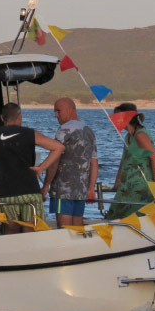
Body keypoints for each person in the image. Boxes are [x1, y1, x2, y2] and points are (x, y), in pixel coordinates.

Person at [0, 103, 64, 234]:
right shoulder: (30, 133)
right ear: (20, 116)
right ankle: (32, 253)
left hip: (7, 193)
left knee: (12, 227)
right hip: (30, 190)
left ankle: (13, 252)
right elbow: (59, 147)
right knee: (30, 228)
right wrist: (41, 167)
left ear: (2, 118)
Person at [42, 97, 99, 228]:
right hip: (81, 189)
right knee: (77, 225)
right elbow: (94, 163)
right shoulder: (88, 130)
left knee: (64, 227)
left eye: (58, 111)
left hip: (63, 189)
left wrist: (46, 185)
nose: (56, 115)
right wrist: (91, 188)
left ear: (70, 110)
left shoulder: (64, 130)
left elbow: (54, 162)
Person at [105, 102, 155, 220]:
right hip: (127, 185)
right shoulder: (127, 136)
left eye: (117, 116)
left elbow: (154, 157)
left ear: (127, 117)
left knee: (135, 216)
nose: (115, 120)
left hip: (141, 186)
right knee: (116, 214)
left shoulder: (140, 135)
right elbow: (124, 160)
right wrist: (117, 183)